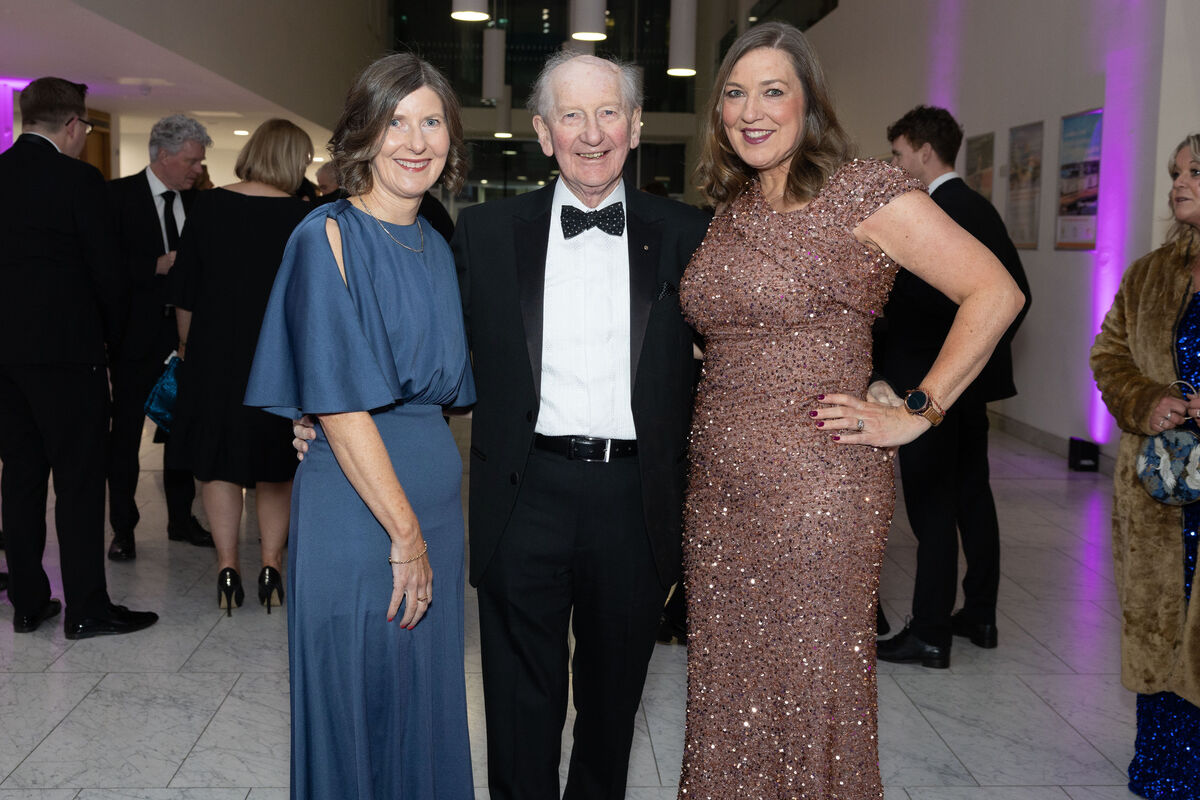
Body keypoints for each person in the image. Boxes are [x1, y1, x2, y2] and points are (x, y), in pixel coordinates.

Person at [678, 21, 1024, 798]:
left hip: (818, 491)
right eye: (734, 93)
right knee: (728, 692)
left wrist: (918, 409)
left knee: (811, 687)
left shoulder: (862, 191)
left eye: (774, 91)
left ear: (810, 105)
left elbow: (995, 291)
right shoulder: (735, 207)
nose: (750, 110)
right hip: (720, 494)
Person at [452, 52, 709, 800]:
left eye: (608, 113)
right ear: (541, 131)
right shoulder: (485, 231)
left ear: (634, 126)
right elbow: (433, 350)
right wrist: (329, 413)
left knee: (610, 705)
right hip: (520, 490)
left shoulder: (689, 233)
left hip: (634, 499)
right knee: (519, 703)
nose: (590, 133)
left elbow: (740, 350)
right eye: (571, 114)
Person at [245, 54, 475, 799]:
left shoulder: (437, 248)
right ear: (363, 135)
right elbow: (341, 407)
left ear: (451, 138)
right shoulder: (327, 237)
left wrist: (425, 531)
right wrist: (405, 538)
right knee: (359, 695)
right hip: (362, 510)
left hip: (435, 507)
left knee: (421, 701)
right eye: (395, 121)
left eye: (431, 121)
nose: (415, 141)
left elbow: (440, 395)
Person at [0, 76, 158, 639]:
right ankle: (87, 607)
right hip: (69, 356)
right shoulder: (79, 179)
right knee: (80, 481)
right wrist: (114, 346)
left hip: (6, 359)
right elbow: (108, 275)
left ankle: (26, 600)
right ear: (71, 125)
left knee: (20, 477)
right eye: (85, 127)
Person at [874, 105, 1032, 667]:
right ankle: (980, 614)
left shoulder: (937, 212)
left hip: (931, 389)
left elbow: (999, 297)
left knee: (932, 508)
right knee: (971, 496)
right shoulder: (978, 206)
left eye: (897, 153)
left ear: (922, 149)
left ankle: (932, 630)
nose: (895, 164)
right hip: (965, 388)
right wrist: (976, 368)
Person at [1090, 132, 1200, 798]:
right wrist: (1148, 399)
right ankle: (1164, 766)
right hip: (1160, 491)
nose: (1178, 182)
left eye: (1195, 171)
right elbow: (1109, 357)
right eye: (1175, 172)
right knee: (1160, 620)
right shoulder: (1149, 273)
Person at [169, 119, 313, 615]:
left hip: (214, 357)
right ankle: (272, 564)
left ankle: (227, 566)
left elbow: (184, 290)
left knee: (217, 465)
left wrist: (190, 346)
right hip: (281, 361)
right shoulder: (305, 218)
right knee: (277, 467)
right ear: (295, 161)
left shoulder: (209, 206)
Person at [107, 113, 214, 561]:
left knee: (181, 431)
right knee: (126, 433)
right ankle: (123, 527)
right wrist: (157, 265)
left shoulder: (203, 204)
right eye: (191, 160)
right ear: (163, 154)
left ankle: (180, 519)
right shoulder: (116, 197)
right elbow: (104, 269)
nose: (198, 169)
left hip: (187, 336)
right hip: (135, 337)